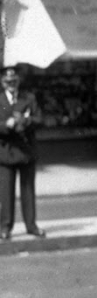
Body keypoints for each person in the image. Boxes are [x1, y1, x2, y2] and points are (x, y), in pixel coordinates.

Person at [0, 65, 45, 240]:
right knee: (6, 193)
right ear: (2, 82)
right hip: (6, 152)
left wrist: (26, 120)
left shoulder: (29, 98)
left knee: (28, 191)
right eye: (7, 81)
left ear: (18, 81)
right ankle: (5, 227)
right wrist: (6, 125)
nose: (11, 84)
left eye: (14, 81)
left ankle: (31, 226)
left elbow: (40, 120)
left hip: (26, 151)